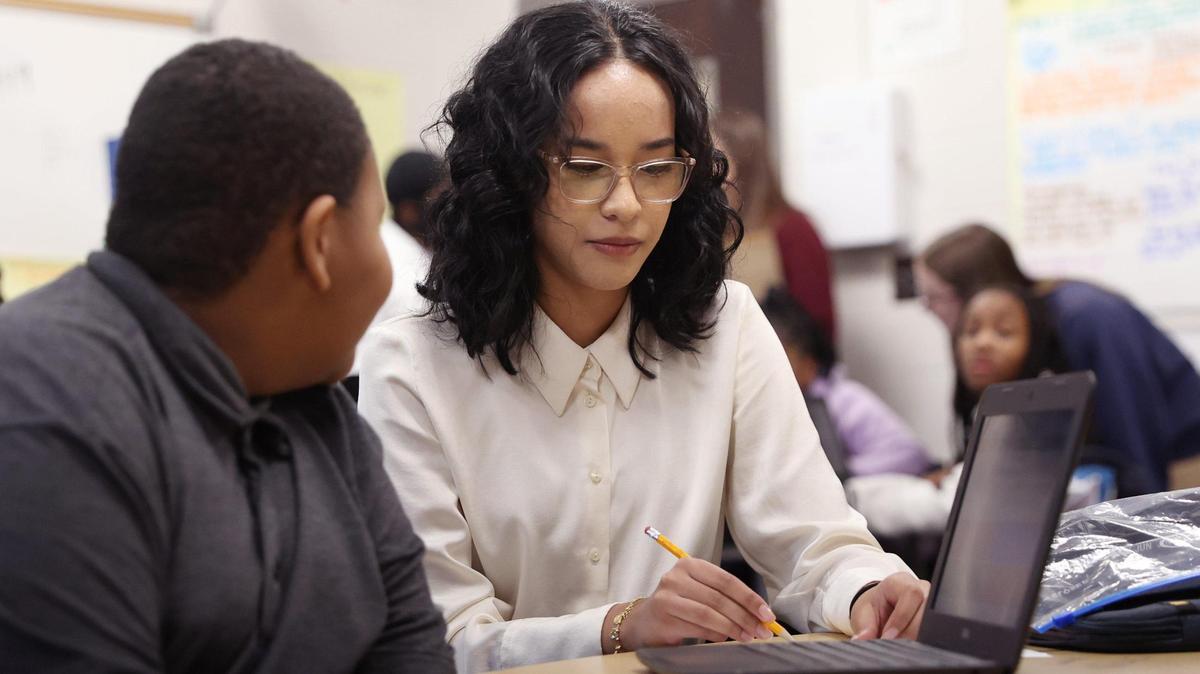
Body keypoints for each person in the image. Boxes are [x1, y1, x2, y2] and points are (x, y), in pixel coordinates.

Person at [358, 3, 928, 672]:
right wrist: (620, 627)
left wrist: (867, 588)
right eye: (584, 167)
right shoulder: (413, 367)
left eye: (656, 169)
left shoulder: (727, 326)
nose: (626, 205)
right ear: (510, 173)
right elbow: (439, 642)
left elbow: (814, 542)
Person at [0, 40, 454, 673]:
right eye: (376, 225)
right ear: (319, 242)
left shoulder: (318, 410)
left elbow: (415, 652)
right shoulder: (43, 404)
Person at [917, 223, 1200, 496]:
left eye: (935, 297)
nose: (929, 310)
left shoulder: (1086, 316)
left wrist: (1140, 520)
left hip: (1180, 460)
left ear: (976, 291)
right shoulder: (1025, 332)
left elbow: (1132, 421)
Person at [847, 285, 1102, 536]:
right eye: (971, 331)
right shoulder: (987, 412)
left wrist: (850, 496)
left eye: (1003, 332)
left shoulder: (1038, 422)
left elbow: (954, 507)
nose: (982, 343)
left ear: (1036, 344)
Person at [760, 287, 931, 477]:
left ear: (808, 361)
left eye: (780, 356)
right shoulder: (778, 407)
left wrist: (841, 473)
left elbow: (910, 455)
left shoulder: (843, 398)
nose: (768, 369)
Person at [714, 108, 836, 343]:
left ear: (742, 160)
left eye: (717, 158)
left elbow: (817, 324)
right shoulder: (710, 232)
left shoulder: (793, 228)